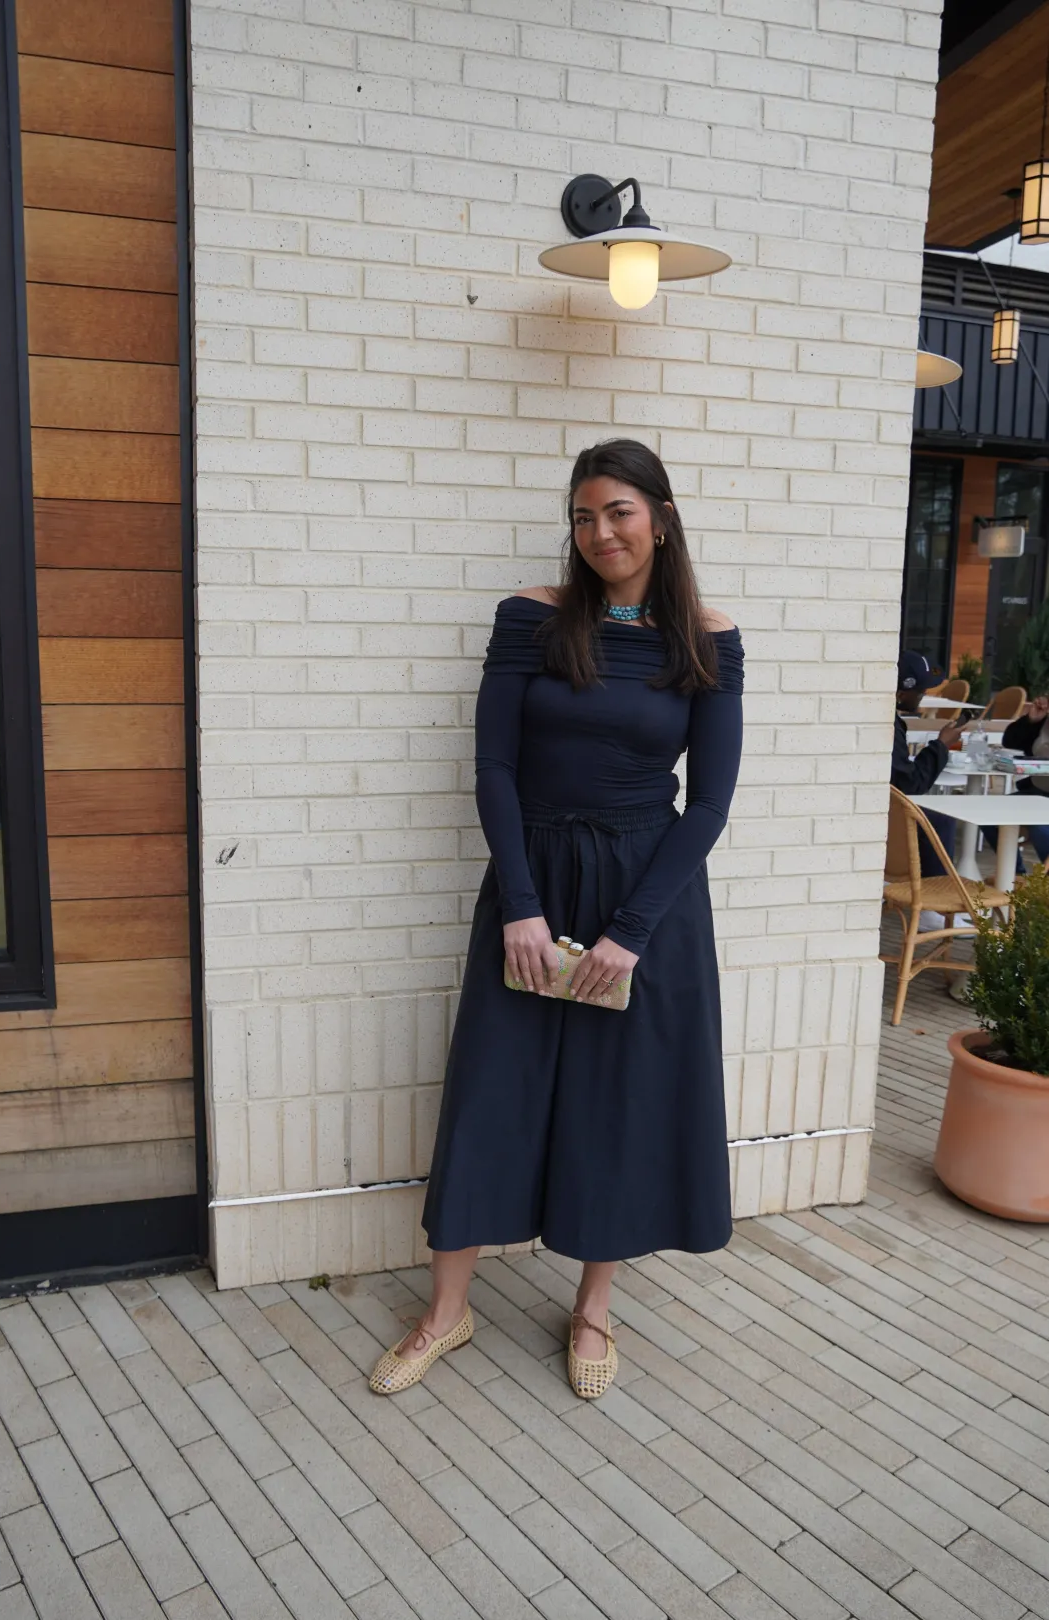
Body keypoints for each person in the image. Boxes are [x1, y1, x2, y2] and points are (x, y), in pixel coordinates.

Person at [368, 440, 743, 1402]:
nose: (600, 533)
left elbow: (707, 805)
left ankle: (593, 1308)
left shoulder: (708, 638)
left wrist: (631, 933)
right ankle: (447, 1312)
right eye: (583, 516)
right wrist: (522, 905)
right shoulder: (531, 617)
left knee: (617, 1102)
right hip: (532, 885)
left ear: (661, 518)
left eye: (618, 511)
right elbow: (494, 767)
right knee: (491, 1090)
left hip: (643, 900)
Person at [892, 651, 965, 924]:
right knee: (939, 822)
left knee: (936, 818)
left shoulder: (885, 720)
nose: (924, 695)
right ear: (901, 693)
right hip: (883, 814)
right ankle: (933, 908)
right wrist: (941, 745)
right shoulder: (887, 726)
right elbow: (910, 784)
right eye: (921, 691)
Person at [985, 692, 1049, 866]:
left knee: (1039, 827)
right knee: (987, 813)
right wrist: (1031, 721)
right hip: (1038, 792)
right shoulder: (1044, 721)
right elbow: (1010, 742)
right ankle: (1013, 874)